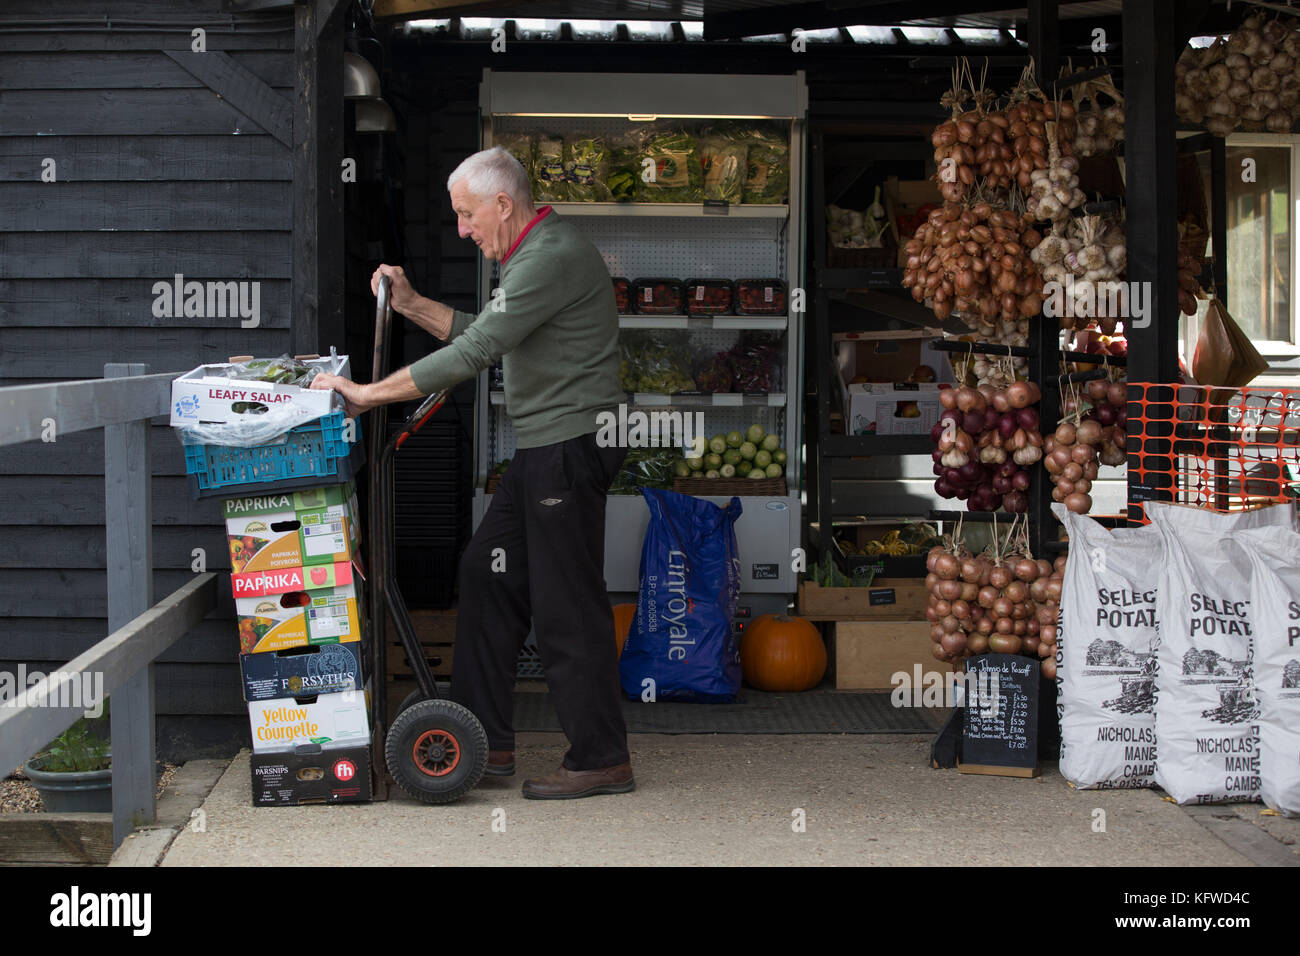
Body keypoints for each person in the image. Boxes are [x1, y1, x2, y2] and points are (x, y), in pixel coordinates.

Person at [310, 146, 634, 799]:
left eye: (465, 214)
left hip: (567, 449)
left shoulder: (550, 257)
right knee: (486, 574)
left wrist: (371, 393)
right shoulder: (534, 258)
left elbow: (477, 348)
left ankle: (601, 757)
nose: (462, 229)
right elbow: (479, 332)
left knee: (566, 604)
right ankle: (488, 742)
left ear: (502, 204)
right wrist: (409, 304)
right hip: (546, 449)